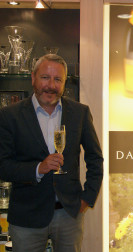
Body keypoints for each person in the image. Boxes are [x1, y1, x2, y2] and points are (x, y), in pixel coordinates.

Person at [0, 54, 103, 252]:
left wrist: (87, 199)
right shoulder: (9, 115)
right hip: (26, 217)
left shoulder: (79, 113)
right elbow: (3, 166)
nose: (51, 85)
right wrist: (39, 168)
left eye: (58, 80)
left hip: (69, 215)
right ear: (33, 78)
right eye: (45, 77)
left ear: (64, 83)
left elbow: (95, 158)